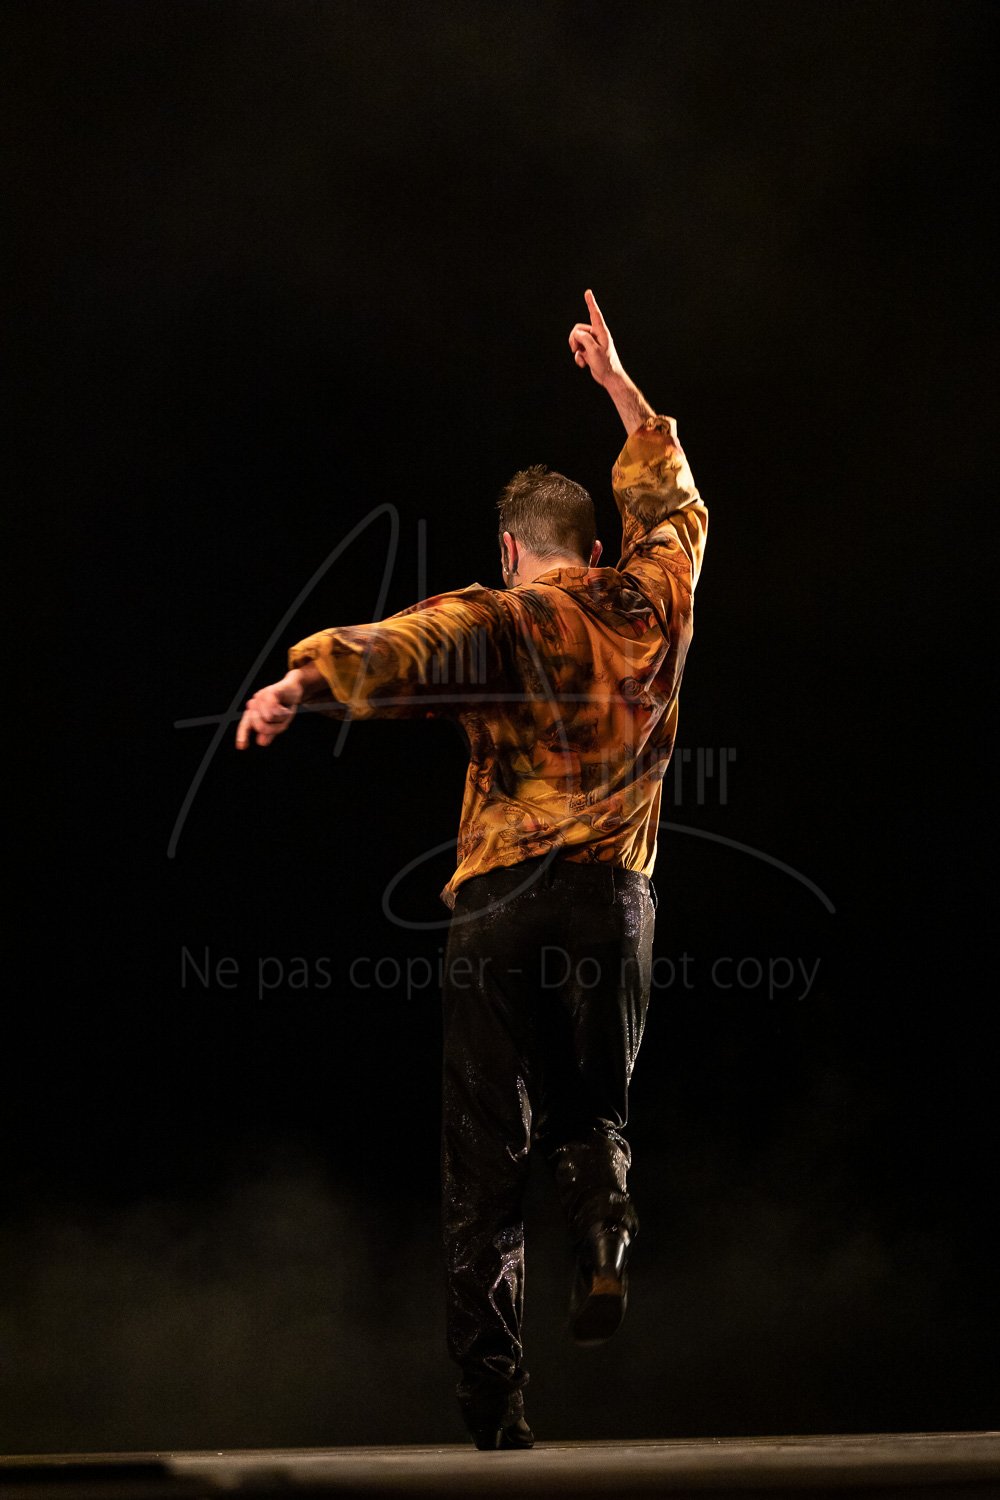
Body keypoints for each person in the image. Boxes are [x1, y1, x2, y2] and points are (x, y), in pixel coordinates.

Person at [235, 290, 708, 1449]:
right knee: (594, 1108)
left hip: (498, 905)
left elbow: (403, 644)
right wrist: (616, 384)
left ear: (509, 551)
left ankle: (495, 1403)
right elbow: (674, 498)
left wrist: (298, 682)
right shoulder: (652, 600)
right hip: (612, 898)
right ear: (591, 550)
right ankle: (601, 1233)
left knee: (483, 1154)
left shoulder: (494, 616)